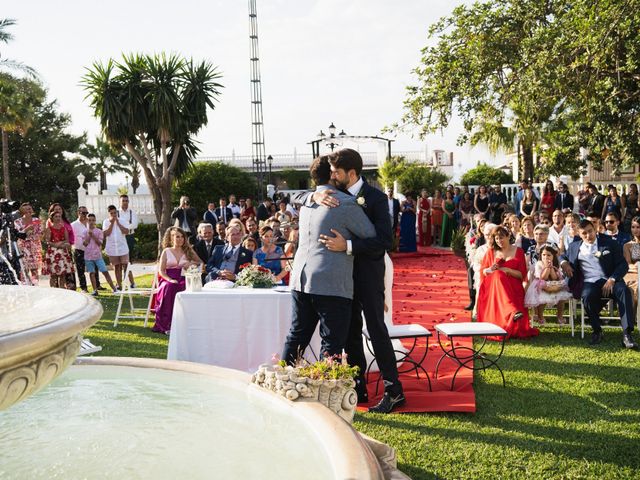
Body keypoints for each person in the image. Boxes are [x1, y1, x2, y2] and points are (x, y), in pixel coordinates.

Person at [308, 148, 404, 414]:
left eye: (336, 172)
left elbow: (385, 240)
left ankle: (394, 390)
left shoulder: (374, 198)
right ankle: (358, 384)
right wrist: (314, 194)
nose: (332, 176)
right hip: (342, 278)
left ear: (351, 173)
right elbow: (303, 200)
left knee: (376, 330)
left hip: (369, 275)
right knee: (350, 332)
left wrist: (348, 245)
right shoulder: (329, 194)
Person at [283, 154, 376, 367]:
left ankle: (281, 382)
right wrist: (348, 243)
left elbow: (296, 198)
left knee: (296, 336)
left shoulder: (307, 202)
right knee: (331, 343)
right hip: (331, 283)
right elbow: (371, 235)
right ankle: (325, 394)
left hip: (300, 279)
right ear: (334, 175)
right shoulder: (344, 203)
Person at [560, 219, 637, 348]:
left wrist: (612, 279)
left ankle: (627, 334)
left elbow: (622, 264)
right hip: (591, 282)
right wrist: (564, 263)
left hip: (610, 279)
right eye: (584, 233)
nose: (588, 235)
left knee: (624, 291)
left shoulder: (609, 243)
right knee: (587, 297)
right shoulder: (574, 246)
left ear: (595, 229)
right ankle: (597, 331)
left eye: (590, 231)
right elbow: (562, 256)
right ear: (579, 234)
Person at [477, 226, 539, 339]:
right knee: (497, 274)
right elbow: (483, 271)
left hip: (513, 285)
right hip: (493, 287)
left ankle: (511, 313)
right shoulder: (491, 252)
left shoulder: (518, 251)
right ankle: (512, 311)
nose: (499, 241)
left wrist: (508, 270)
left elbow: (522, 275)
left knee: (500, 274)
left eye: (501, 238)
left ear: (508, 236)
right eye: (496, 239)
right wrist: (491, 269)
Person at [152, 227, 201, 334]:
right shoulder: (166, 251)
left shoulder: (188, 250)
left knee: (184, 286)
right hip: (168, 278)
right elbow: (161, 271)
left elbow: (200, 262)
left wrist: (191, 263)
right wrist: (169, 279)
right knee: (169, 286)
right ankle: (166, 324)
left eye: (182, 236)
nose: (180, 239)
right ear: (171, 238)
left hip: (183, 277)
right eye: (177, 236)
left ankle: (183, 323)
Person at [524, 244, 573, 325]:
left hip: (554, 285)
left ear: (553, 256)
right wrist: (547, 268)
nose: (545, 257)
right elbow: (543, 277)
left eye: (548, 255)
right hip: (541, 286)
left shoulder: (556, 264)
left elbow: (554, 277)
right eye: (543, 255)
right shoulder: (539, 263)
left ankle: (560, 316)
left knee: (561, 299)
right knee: (542, 300)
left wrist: (551, 268)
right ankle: (540, 316)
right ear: (540, 255)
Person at [82, 213, 117, 295]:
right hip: (88, 256)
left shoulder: (99, 231)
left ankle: (114, 288)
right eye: (89, 220)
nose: (91, 222)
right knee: (91, 273)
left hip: (97, 256)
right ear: (87, 221)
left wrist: (93, 235)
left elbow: (99, 243)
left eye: (93, 220)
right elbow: (85, 244)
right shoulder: (84, 232)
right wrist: (89, 235)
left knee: (105, 271)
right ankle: (95, 290)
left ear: (95, 221)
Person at [42, 211, 75, 289]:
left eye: (59, 216)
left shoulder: (63, 228)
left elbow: (67, 240)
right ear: (52, 218)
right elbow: (48, 241)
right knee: (53, 274)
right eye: (56, 216)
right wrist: (56, 245)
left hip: (62, 252)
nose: (58, 218)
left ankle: (62, 289)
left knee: (62, 274)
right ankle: (53, 290)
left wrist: (59, 243)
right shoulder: (49, 229)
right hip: (53, 253)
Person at [14, 202, 43, 284]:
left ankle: (35, 285)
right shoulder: (17, 221)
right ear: (22, 211)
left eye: (30, 208)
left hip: (35, 247)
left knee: (34, 269)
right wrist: (27, 229)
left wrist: (34, 235)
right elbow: (18, 234)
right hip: (23, 248)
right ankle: (25, 285)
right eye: (26, 209)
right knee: (24, 268)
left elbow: (40, 233)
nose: (29, 210)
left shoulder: (36, 220)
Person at [103, 204, 129, 290]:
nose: (113, 215)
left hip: (123, 248)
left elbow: (126, 232)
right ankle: (119, 284)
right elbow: (106, 234)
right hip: (112, 248)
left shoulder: (122, 220)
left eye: (115, 213)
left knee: (126, 266)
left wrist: (117, 223)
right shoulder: (106, 222)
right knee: (117, 267)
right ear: (109, 213)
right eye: (111, 213)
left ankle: (127, 284)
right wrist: (111, 224)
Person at [118, 194, 139, 287]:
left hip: (129, 237)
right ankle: (120, 282)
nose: (125, 202)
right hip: (119, 238)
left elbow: (135, 225)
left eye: (126, 201)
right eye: (123, 201)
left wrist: (123, 226)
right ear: (120, 201)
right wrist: (127, 225)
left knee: (128, 260)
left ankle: (130, 282)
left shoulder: (132, 212)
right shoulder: (117, 213)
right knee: (119, 260)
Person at [71, 206, 90, 292]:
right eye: (83, 213)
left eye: (86, 213)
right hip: (78, 249)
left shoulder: (90, 223)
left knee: (94, 269)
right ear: (78, 213)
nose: (85, 215)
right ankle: (84, 288)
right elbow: (71, 238)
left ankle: (97, 286)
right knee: (80, 270)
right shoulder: (73, 225)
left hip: (91, 250)